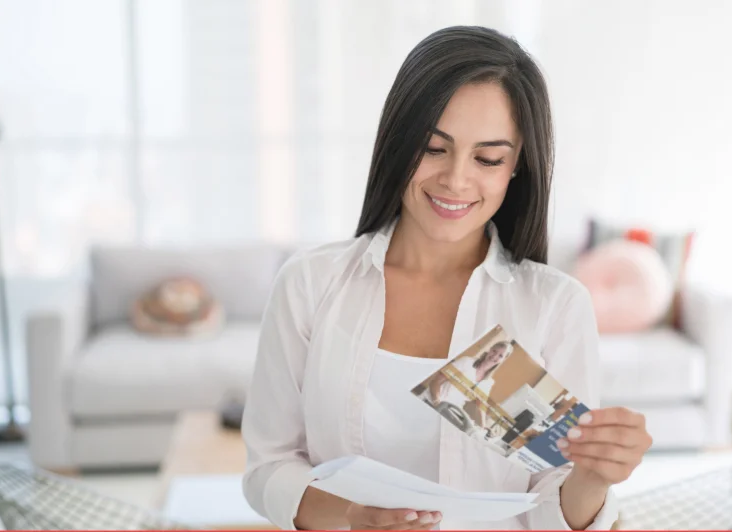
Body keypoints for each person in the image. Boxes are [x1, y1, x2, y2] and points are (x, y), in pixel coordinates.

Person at [242, 26, 652, 530]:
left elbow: (549, 505)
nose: (456, 180)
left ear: (517, 166)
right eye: (434, 148)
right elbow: (268, 469)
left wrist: (593, 476)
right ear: (398, 142)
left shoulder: (553, 305)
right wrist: (352, 519)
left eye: (487, 158)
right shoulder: (311, 284)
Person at [424, 340, 513, 434]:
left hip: (451, 413)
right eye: (494, 351)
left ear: (503, 360)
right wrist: (437, 402)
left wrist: (483, 427)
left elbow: (480, 405)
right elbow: (435, 382)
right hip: (431, 402)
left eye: (500, 356)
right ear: (490, 349)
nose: (495, 356)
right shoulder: (466, 362)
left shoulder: (488, 382)